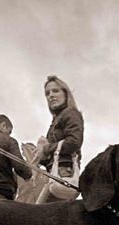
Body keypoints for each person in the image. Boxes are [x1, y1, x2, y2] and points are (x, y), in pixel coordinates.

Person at [35, 75, 84, 204]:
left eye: (55, 91)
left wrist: (45, 148)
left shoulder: (71, 114)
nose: (50, 95)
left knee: (37, 216)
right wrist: (42, 157)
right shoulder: (58, 119)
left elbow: (74, 142)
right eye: (47, 93)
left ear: (66, 93)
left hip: (64, 174)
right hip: (56, 174)